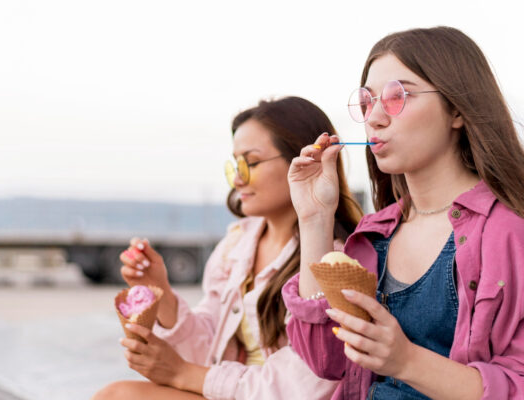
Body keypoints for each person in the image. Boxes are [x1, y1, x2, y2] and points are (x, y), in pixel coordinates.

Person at [282, 26, 524, 400]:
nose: (374, 117)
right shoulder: (374, 234)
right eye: (367, 101)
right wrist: (315, 219)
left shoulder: (508, 231)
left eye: (398, 96)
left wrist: (406, 361)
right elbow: (326, 360)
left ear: (456, 109)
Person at [93, 97, 363, 400]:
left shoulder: (336, 258)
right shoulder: (237, 242)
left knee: (117, 395)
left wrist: (182, 373)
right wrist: (161, 291)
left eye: (251, 162)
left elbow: (302, 386)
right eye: (236, 164)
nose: (237, 178)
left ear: (305, 158)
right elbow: (208, 350)